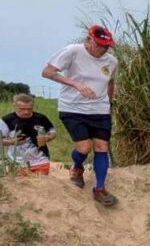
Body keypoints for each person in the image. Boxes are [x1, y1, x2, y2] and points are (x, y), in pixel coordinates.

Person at [41, 25, 119, 206]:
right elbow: (47, 72)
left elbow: (110, 82)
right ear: (88, 40)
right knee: (84, 148)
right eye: (99, 46)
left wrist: (109, 103)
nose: (103, 50)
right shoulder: (73, 51)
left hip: (100, 109)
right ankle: (77, 168)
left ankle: (99, 188)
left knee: (101, 146)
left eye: (106, 47)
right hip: (73, 108)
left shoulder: (112, 61)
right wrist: (75, 84)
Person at [0, 93, 56, 175]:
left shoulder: (41, 118)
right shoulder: (6, 120)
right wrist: (12, 142)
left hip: (41, 160)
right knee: (20, 183)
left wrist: (48, 138)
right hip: (16, 162)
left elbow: (52, 132)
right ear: (15, 106)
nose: (26, 112)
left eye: (29, 109)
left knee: (41, 182)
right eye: (22, 109)